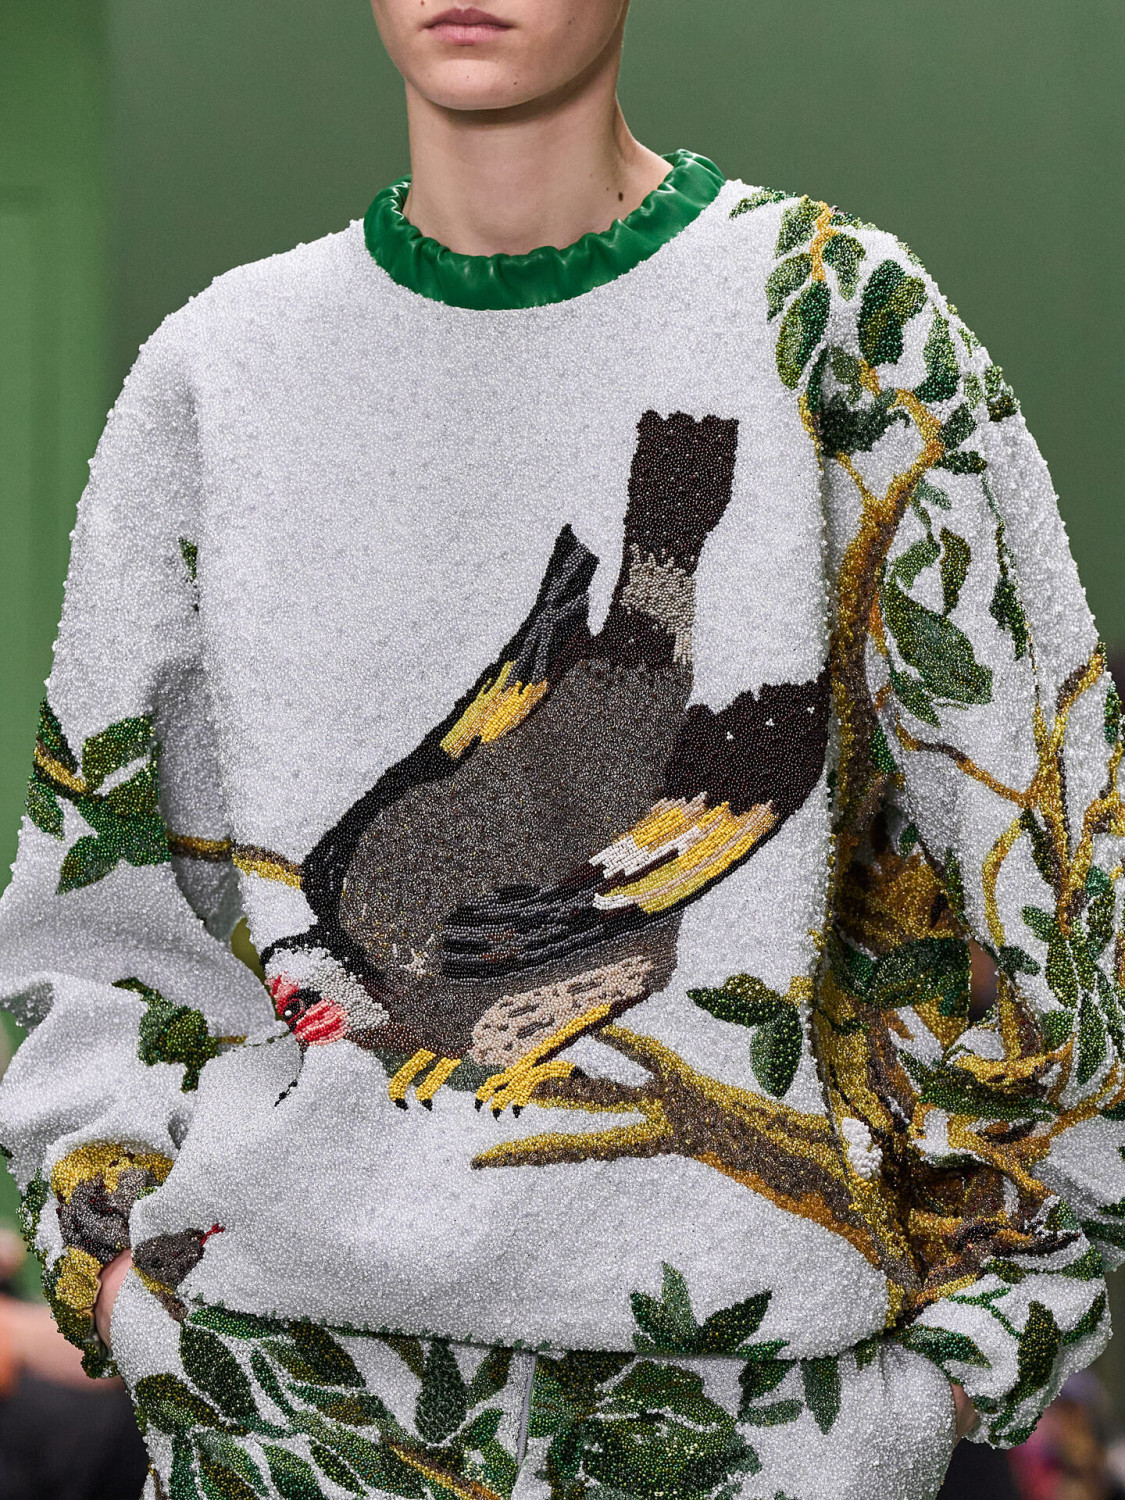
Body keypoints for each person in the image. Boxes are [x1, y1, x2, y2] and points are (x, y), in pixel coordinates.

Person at [0, 3, 1120, 1497]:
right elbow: (96, 916)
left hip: (760, 1436)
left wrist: (950, 1370)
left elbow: (1065, 872)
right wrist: (125, 1282)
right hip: (283, 1429)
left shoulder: (836, 319)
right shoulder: (222, 369)